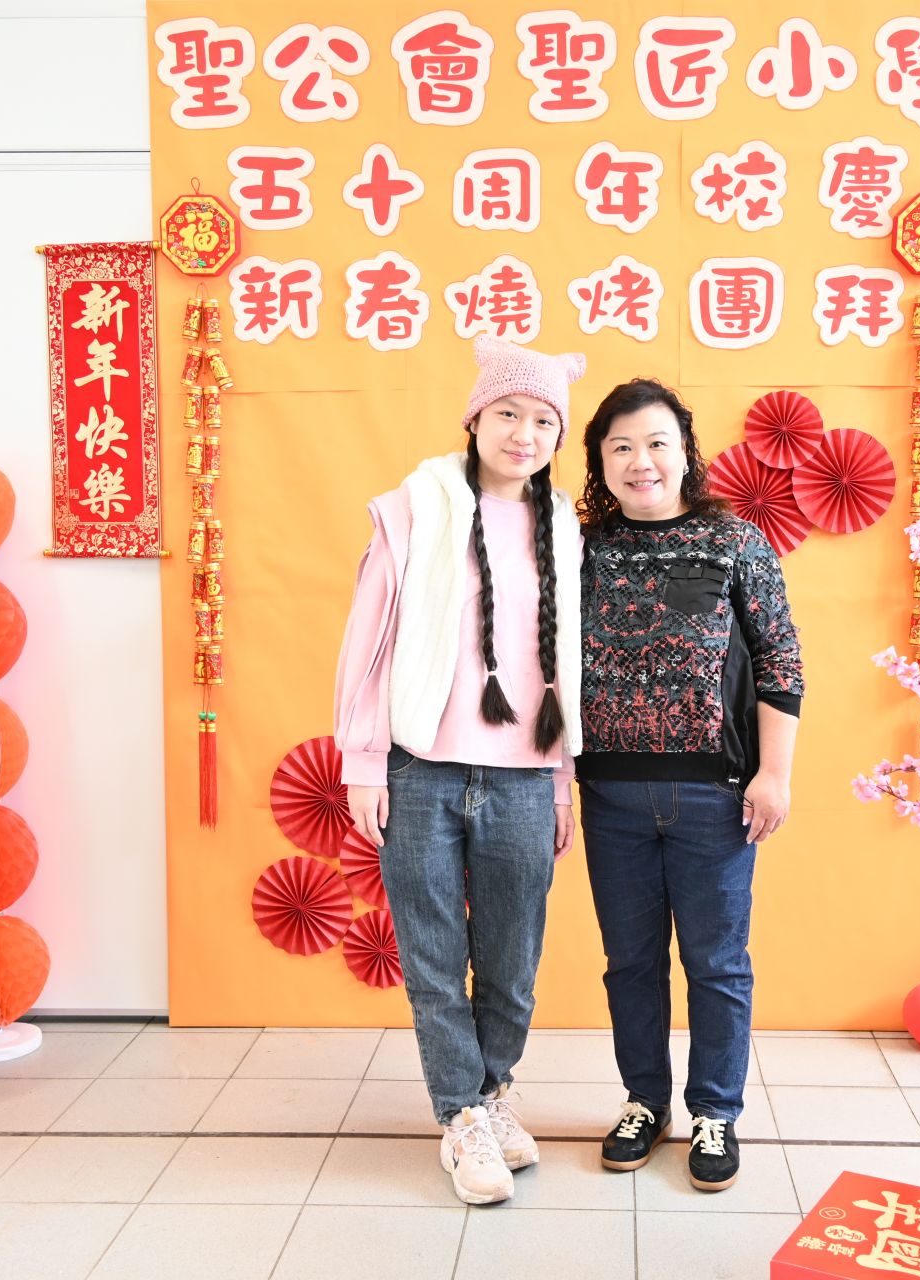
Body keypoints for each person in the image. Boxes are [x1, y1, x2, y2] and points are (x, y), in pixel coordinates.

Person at [333, 336, 587, 1206]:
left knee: (512, 957)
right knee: (434, 955)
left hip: (524, 776)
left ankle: (494, 1089)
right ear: (475, 418)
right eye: (508, 413)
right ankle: (462, 1117)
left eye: (544, 420)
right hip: (421, 769)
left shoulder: (564, 525)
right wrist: (364, 761)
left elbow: (566, 662)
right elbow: (371, 638)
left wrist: (561, 780)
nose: (524, 434)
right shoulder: (415, 507)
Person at [575, 378, 804, 1192]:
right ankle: (646, 1102)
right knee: (629, 963)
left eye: (656, 442)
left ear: (685, 452)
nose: (641, 461)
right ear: (600, 463)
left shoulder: (734, 542)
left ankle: (715, 1112)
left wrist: (774, 774)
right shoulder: (580, 550)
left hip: (716, 796)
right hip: (610, 797)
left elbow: (780, 660)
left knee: (715, 963)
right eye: (621, 447)